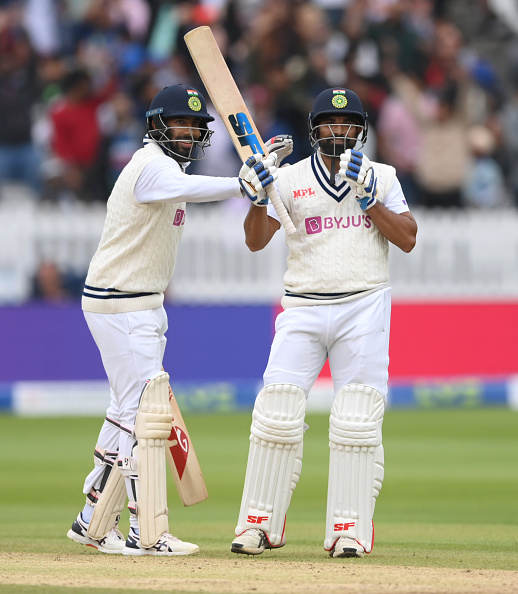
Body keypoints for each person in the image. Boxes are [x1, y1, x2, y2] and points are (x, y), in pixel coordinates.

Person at [66, 83, 277, 556]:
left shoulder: (169, 168)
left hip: (139, 303)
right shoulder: (150, 167)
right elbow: (185, 188)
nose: (187, 133)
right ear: (157, 125)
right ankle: (148, 530)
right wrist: (241, 183)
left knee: (127, 412)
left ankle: (90, 519)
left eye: (195, 127)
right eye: (179, 123)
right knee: (146, 415)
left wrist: (256, 174)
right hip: (121, 302)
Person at [230, 88, 417, 558]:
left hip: (364, 303)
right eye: (330, 124)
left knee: (356, 419)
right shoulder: (289, 180)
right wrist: (257, 197)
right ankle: (259, 524)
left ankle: (349, 529)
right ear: (315, 131)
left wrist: (371, 200)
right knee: (275, 413)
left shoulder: (382, 176)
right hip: (303, 306)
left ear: (362, 130)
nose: (340, 132)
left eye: (348, 124)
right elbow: (255, 242)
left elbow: (409, 239)